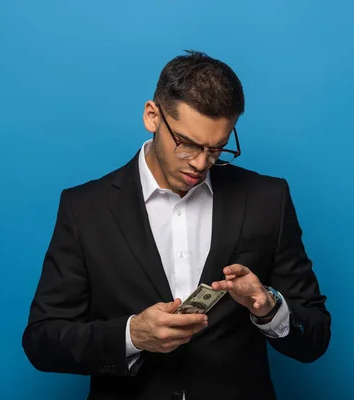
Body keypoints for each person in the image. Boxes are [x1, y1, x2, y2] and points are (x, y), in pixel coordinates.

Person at [22, 50, 331, 400]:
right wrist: (133, 335)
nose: (200, 164)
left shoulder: (267, 199)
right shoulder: (84, 208)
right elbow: (42, 340)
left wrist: (268, 307)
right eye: (187, 144)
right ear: (152, 116)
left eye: (216, 149)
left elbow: (315, 336)